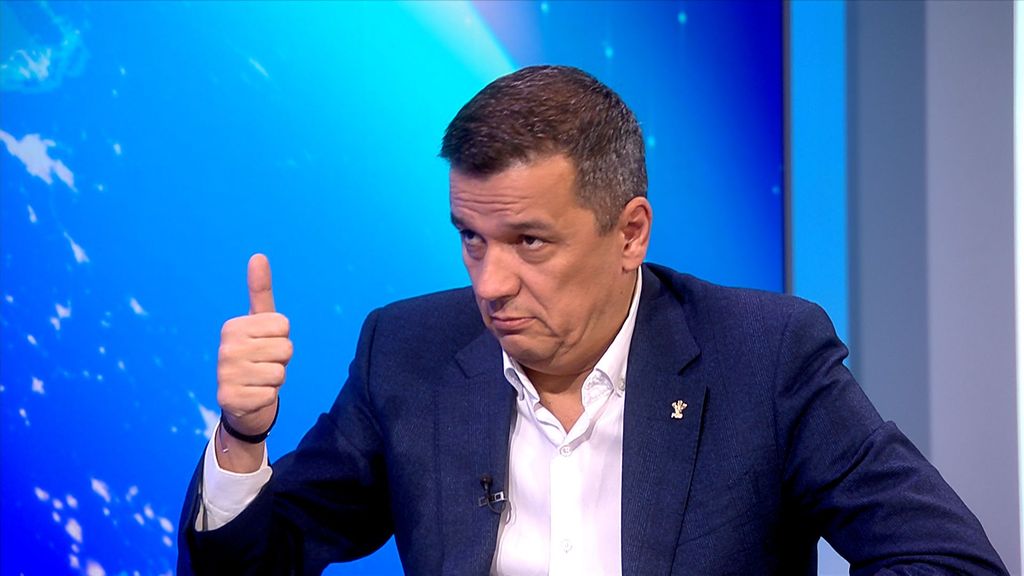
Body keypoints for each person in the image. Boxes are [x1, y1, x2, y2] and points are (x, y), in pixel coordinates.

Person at [178, 65, 1008, 575]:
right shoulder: (407, 352)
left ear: (630, 233)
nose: (490, 284)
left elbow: (947, 561)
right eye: (471, 238)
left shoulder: (764, 356)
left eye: (530, 242)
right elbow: (254, 565)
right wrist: (243, 441)